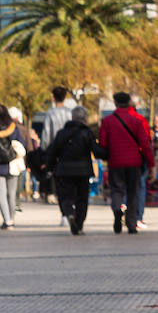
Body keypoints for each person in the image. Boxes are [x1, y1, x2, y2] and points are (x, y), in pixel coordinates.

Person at [97, 92, 155, 234]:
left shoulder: (107, 121)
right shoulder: (136, 121)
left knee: (117, 190)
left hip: (115, 162)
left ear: (115, 103)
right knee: (133, 192)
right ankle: (131, 223)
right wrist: (151, 164)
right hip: (134, 162)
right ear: (129, 103)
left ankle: (117, 210)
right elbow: (145, 144)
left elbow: (103, 143)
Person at [44, 105, 98, 235]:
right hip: (83, 171)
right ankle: (79, 224)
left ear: (72, 117)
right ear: (84, 118)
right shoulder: (87, 133)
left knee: (66, 196)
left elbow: (52, 152)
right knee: (82, 198)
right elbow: (97, 151)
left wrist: (49, 167)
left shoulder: (62, 133)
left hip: (64, 170)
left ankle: (69, 213)